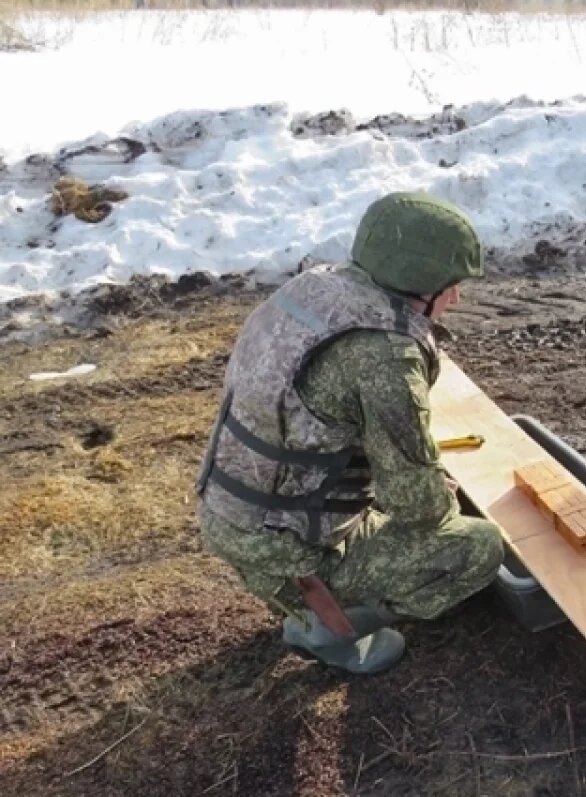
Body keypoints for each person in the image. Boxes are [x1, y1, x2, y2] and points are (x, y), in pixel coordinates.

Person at [196, 192, 504, 674]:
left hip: (231, 510)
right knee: (478, 545)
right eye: (451, 287)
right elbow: (416, 506)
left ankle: (311, 599)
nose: (457, 299)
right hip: (282, 548)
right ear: (421, 286)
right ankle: (329, 627)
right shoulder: (384, 355)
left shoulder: (315, 290)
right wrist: (441, 497)